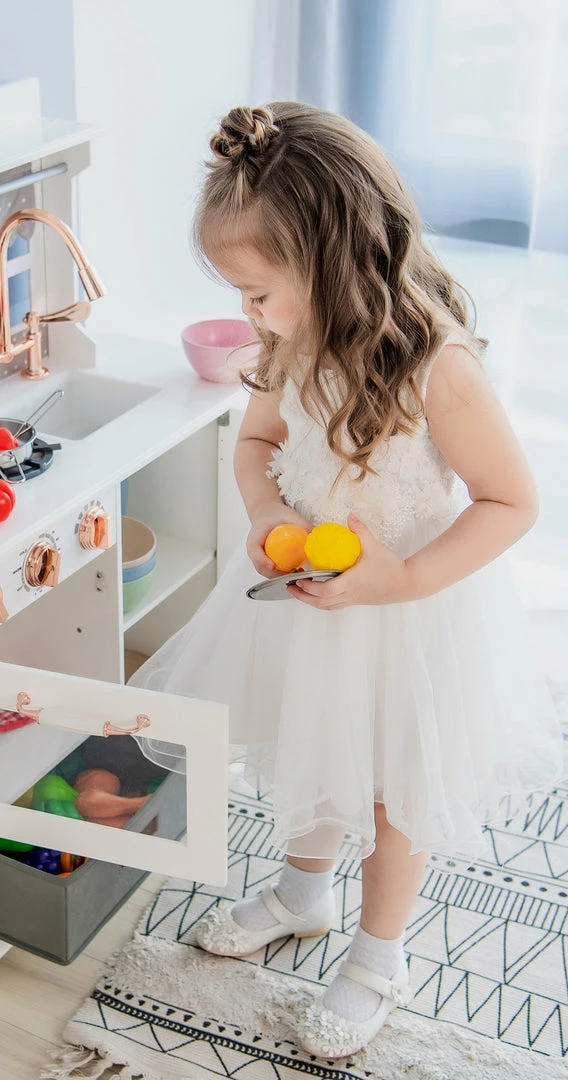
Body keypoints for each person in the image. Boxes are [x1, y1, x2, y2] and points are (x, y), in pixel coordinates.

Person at [129, 102, 562, 1058]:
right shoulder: (292, 342)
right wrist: (267, 514)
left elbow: (512, 502)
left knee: (390, 789)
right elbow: (257, 443)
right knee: (306, 740)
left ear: (333, 262)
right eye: (239, 296)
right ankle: (302, 891)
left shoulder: (435, 367)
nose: (249, 316)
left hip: (408, 614)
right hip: (310, 606)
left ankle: (377, 954)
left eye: (258, 292)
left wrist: (400, 580)